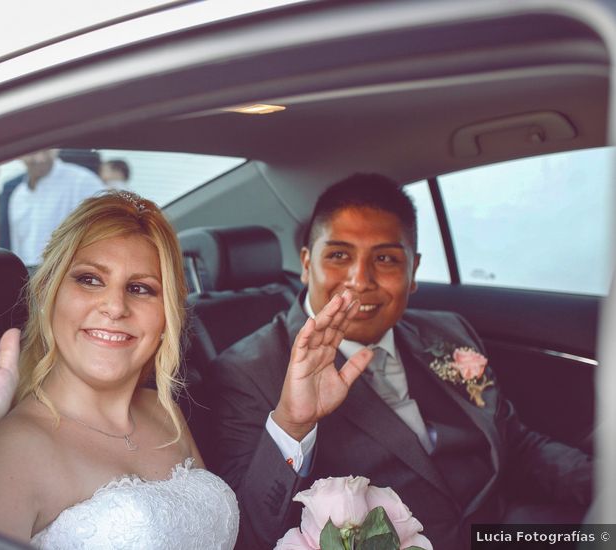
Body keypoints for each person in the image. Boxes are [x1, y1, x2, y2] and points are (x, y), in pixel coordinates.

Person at [209, 173, 593, 550]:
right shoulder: (249, 371)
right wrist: (294, 424)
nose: (360, 280)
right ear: (307, 264)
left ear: (413, 272)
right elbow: (251, 533)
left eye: (386, 258)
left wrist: (598, 482)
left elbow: (513, 441)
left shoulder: (450, 333)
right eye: (339, 255)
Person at [0, 191, 249, 548]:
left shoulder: (165, 412)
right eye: (89, 279)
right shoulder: (14, 447)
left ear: (167, 317)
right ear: (48, 293)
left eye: (140, 288)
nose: (115, 306)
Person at [0, 149, 103, 266]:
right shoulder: (18, 195)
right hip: (28, 278)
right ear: (18, 156)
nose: (40, 159)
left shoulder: (82, 182)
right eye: (32, 153)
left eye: (45, 151)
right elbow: (17, 248)